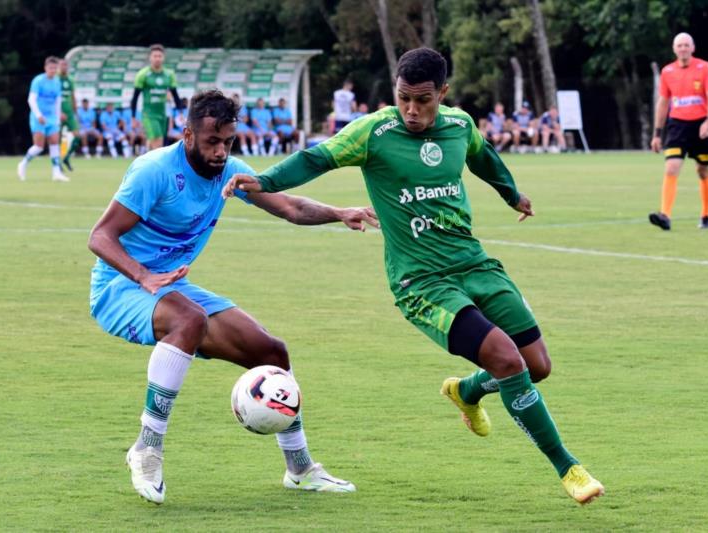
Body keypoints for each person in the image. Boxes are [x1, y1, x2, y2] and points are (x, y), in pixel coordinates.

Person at [223, 47, 604, 505]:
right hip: (422, 282)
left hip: (475, 265)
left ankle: (466, 390)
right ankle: (570, 469)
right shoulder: (374, 131)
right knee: (507, 361)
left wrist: (512, 194)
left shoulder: (459, 125)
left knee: (536, 366)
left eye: (423, 100)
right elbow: (316, 158)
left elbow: (482, 158)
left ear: (442, 94)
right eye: (403, 97)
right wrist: (265, 180)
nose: (411, 109)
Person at [88, 89, 377, 504]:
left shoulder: (231, 171)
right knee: (189, 319)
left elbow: (291, 208)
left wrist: (338, 212)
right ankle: (147, 448)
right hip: (119, 287)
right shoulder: (153, 170)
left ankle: (300, 469)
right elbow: (100, 236)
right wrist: (145, 276)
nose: (221, 151)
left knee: (271, 352)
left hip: (171, 288)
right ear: (187, 134)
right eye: (211, 142)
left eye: (228, 142)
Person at [649, 32, 708, 231]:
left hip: (700, 125)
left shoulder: (704, 68)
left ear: (693, 47)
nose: (683, 49)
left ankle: (706, 215)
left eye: (686, 45)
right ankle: (665, 216)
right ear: (674, 49)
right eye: (679, 45)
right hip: (677, 125)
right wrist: (656, 133)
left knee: (702, 170)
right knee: (671, 167)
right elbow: (663, 103)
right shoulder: (667, 72)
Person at [17, 56, 69, 182]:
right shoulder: (38, 81)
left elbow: (57, 101)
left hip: (52, 118)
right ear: (45, 68)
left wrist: (58, 116)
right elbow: (31, 99)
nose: (53, 70)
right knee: (39, 146)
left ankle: (56, 173)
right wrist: (38, 115)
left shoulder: (57, 82)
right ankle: (23, 163)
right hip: (38, 117)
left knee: (54, 143)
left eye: (55, 68)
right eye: (50, 68)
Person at [130, 44, 183, 151]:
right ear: (150, 57)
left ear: (163, 58)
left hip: (163, 115)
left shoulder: (169, 74)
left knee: (155, 142)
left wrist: (180, 112)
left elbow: (175, 95)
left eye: (160, 56)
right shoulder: (143, 74)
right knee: (158, 142)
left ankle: (145, 162)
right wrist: (133, 117)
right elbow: (135, 97)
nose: (157, 58)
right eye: (155, 56)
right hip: (149, 114)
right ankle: (157, 167)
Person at [58, 59, 80, 171]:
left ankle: (66, 158)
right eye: (62, 65)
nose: (64, 67)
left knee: (77, 137)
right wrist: (58, 112)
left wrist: (76, 112)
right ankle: (57, 164)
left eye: (65, 65)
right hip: (57, 114)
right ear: (59, 66)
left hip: (70, 113)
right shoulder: (55, 79)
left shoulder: (70, 79)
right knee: (57, 139)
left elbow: (73, 96)